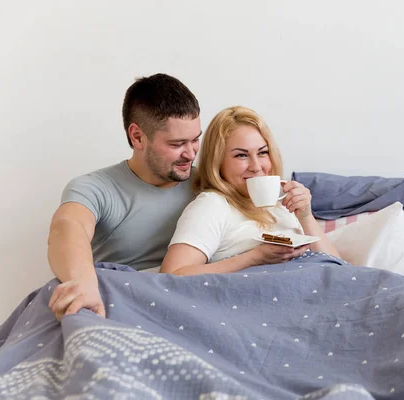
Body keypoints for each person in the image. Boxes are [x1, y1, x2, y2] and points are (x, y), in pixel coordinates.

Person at [47, 73, 202, 320]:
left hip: (191, 308)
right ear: (137, 136)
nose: (191, 153)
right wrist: (82, 283)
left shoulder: (208, 184)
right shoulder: (95, 187)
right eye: (177, 144)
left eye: (195, 140)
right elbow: (67, 227)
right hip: (120, 305)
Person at [160, 106, 340, 276]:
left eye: (262, 153)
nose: (256, 167)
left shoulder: (284, 203)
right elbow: (172, 274)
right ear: (218, 162)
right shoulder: (212, 205)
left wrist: (306, 217)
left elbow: (339, 268)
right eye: (241, 155)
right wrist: (254, 257)